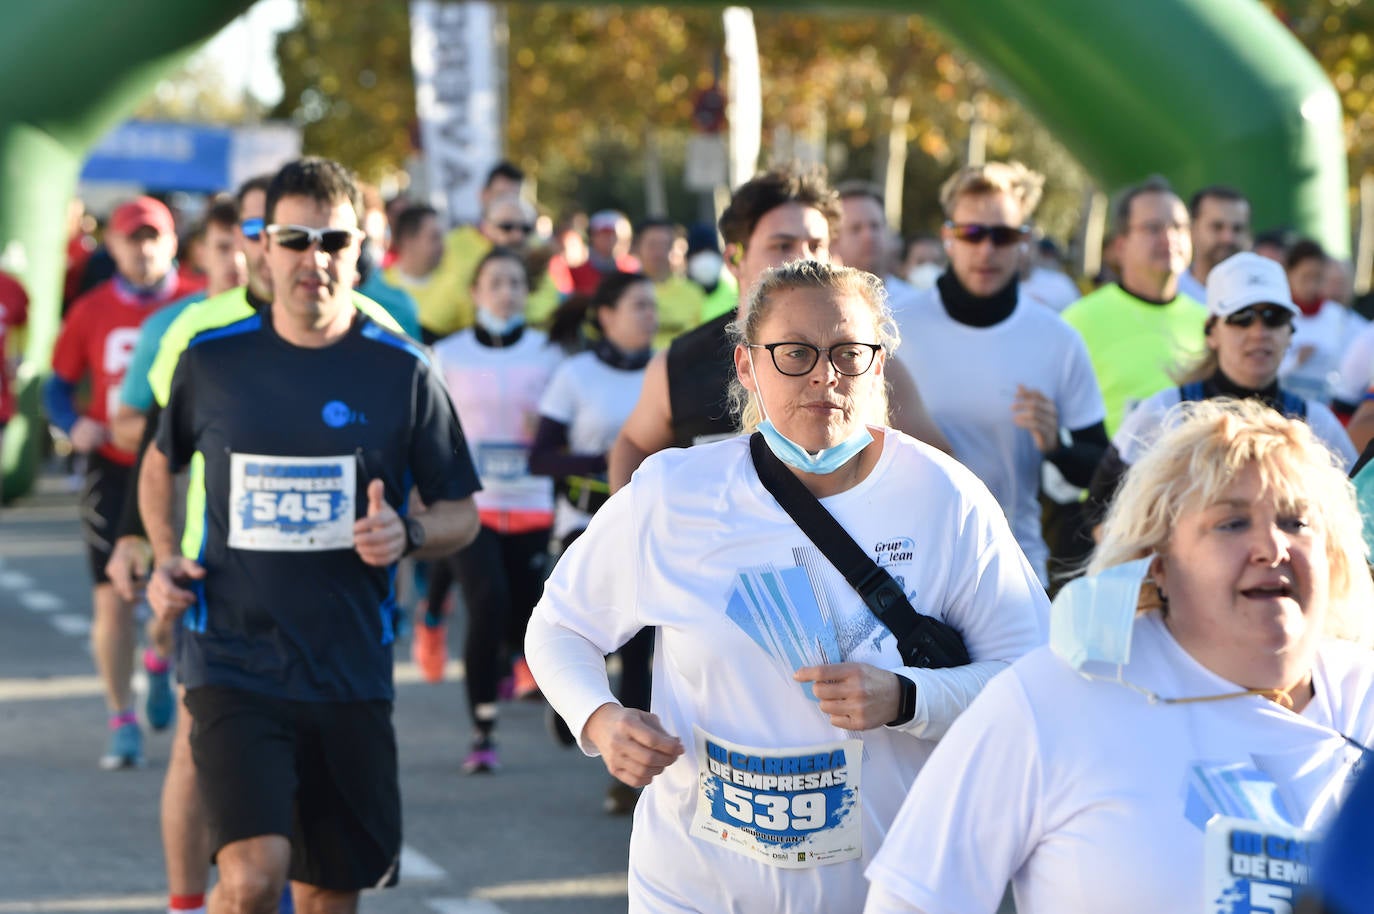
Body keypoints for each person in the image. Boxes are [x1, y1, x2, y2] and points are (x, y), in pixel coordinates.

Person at [527, 260, 1047, 912]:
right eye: (795, 353)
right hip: (692, 887)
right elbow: (560, 623)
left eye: (849, 353)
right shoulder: (675, 492)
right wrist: (598, 719)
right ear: (748, 367)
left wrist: (908, 697)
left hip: (886, 890)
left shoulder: (947, 500)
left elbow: (1032, 681)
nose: (825, 376)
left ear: (878, 366)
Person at [864, 398, 1374, 914]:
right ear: (1159, 563)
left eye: (1296, 523)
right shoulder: (1058, 699)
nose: (1272, 547)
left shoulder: (1365, 700)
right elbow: (912, 899)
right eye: (1231, 523)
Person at [142, 156, 480, 914]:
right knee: (254, 877)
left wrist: (409, 531)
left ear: (362, 251)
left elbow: (463, 510)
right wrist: (165, 555)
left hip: (349, 667)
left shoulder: (402, 371)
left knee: (329, 891)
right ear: (262, 247)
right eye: (293, 239)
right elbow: (159, 466)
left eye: (334, 241)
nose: (313, 259)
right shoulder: (214, 360)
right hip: (233, 658)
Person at [608, 165, 950, 492]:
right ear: (733, 259)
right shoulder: (680, 363)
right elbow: (633, 445)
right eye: (782, 246)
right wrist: (638, 533)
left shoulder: (863, 359)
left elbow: (938, 469)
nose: (803, 259)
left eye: (816, 245)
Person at [892, 161, 1107, 586]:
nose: (986, 250)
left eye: (1003, 236)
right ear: (948, 239)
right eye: (972, 234)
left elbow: (1100, 467)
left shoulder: (1057, 339)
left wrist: (1058, 446)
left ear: (1025, 242)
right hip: (909, 562)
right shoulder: (894, 326)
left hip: (1015, 564)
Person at [43, 194, 199, 769]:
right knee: (112, 599)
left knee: (172, 599)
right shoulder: (90, 310)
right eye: (132, 239)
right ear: (112, 246)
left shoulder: (199, 304)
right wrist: (71, 422)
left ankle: (159, 660)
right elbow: (56, 385)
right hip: (114, 466)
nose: (144, 249)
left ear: (174, 242)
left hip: (184, 468)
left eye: (153, 236)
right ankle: (120, 717)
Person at [423, 246, 565, 773]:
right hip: (472, 506)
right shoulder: (450, 354)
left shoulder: (550, 354)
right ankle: (483, 731)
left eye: (514, 283)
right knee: (487, 602)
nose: (506, 292)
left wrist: (549, 431)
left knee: (522, 610)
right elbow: (430, 426)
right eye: (495, 283)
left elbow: (565, 421)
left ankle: (510, 660)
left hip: (530, 502)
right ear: (475, 293)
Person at [1089, 251, 1356, 525]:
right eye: (1242, 317)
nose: (1259, 331)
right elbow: (1100, 512)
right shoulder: (1166, 412)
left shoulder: (1318, 425)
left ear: (1290, 333)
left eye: (1274, 317)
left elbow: (1359, 519)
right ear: (1211, 332)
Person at [528, 270, 659, 812]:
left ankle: (628, 778)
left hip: (648, 528)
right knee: (587, 637)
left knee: (640, 652)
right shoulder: (575, 374)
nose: (650, 316)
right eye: (638, 306)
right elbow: (541, 456)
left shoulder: (664, 369)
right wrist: (609, 460)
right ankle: (573, 702)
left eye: (653, 306)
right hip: (581, 523)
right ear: (605, 315)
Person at [1062, 176, 1207, 437]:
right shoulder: (1077, 320)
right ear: (1120, 245)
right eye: (1153, 228)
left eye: (1179, 227)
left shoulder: (1210, 323)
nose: (1169, 238)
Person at [1281, 239, 1367, 406]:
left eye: (1318, 277)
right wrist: (1295, 362)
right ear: (1290, 274)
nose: (1311, 286)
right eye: (1305, 277)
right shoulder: (1278, 315)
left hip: (1327, 408)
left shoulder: (1337, 316)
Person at [832, 181, 918, 308]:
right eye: (855, 228)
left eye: (875, 226)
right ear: (832, 239)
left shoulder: (915, 303)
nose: (869, 237)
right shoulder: (821, 305)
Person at [633, 218, 706, 347]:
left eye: (666, 245)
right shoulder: (625, 292)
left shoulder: (694, 292)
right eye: (652, 245)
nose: (659, 252)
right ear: (637, 249)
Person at [1176, 185, 1252, 304]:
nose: (1228, 238)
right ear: (1192, 229)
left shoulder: (1261, 299)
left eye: (1237, 229)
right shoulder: (1171, 293)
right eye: (1217, 227)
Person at [570, 209, 640, 296]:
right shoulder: (577, 272)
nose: (610, 240)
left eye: (614, 235)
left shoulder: (634, 269)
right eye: (604, 235)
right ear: (592, 237)